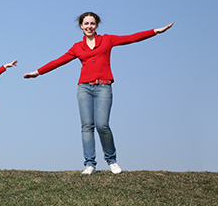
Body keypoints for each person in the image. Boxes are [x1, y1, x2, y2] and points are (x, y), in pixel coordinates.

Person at [24, 12, 173, 175]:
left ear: (97, 25)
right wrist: (38, 72)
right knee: (87, 126)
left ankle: (112, 160)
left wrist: (155, 31)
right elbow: (59, 61)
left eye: (92, 23)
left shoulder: (107, 40)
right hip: (84, 88)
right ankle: (90, 164)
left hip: (104, 87)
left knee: (102, 125)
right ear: (81, 26)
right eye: (86, 24)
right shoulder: (77, 47)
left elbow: (131, 38)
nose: (89, 26)